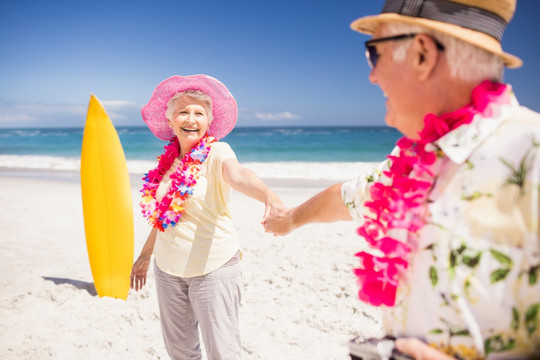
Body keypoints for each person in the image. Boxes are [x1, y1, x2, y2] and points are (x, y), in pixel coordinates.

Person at [264, 0, 540, 359]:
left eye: (374, 54)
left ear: (423, 55)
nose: (372, 76)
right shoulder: (414, 160)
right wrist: (290, 220)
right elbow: (347, 196)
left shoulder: (530, 152)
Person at [130, 74, 283, 360]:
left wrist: (268, 196)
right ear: (171, 121)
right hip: (168, 270)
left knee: (222, 352)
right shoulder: (167, 162)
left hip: (213, 268)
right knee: (180, 352)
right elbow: (164, 218)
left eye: (199, 113)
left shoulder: (217, 152)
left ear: (208, 122)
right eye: (183, 112)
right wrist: (145, 255)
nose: (191, 118)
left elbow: (239, 175)